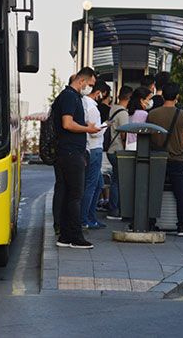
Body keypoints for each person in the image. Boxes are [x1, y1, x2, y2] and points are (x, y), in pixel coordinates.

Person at [51, 67, 100, 249]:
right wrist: (89, 129)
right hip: (71, 152)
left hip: (65, 151)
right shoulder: (71, 97)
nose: (91, 88)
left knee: (66, 193)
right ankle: (76, 237)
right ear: (82, 81)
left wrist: (85, 125)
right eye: (91, 85)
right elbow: (67, 123)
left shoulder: (67, 96)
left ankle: (64, 236)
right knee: (75, 195)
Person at [147, 82, 183, 236]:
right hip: (176, 158)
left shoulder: (152, 114)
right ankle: (182, 226)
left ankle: (151, 222)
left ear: (163, 95)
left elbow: (149, 136)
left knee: (154, 191)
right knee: (180, 192)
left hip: (157, 157)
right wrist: (178, 146)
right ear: (177, 97)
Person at [80, 80, 110, 230]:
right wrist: (105, 126)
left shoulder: (84, 104)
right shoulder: (92, 109)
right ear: (99, 93)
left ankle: (91, 217)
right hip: (95, 148)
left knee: (98, 185)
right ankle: (85, 219)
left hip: (91, 149)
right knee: (91, 186)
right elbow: (93, 132)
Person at [106, 85, 132, 220]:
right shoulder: (123, 113)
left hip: (110, 149)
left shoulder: (113, 109)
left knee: (115, 180)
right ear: (129, 97)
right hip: (118, 150)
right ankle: (114, 209)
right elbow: (123, 134)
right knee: (118, 181)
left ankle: (113, 208)